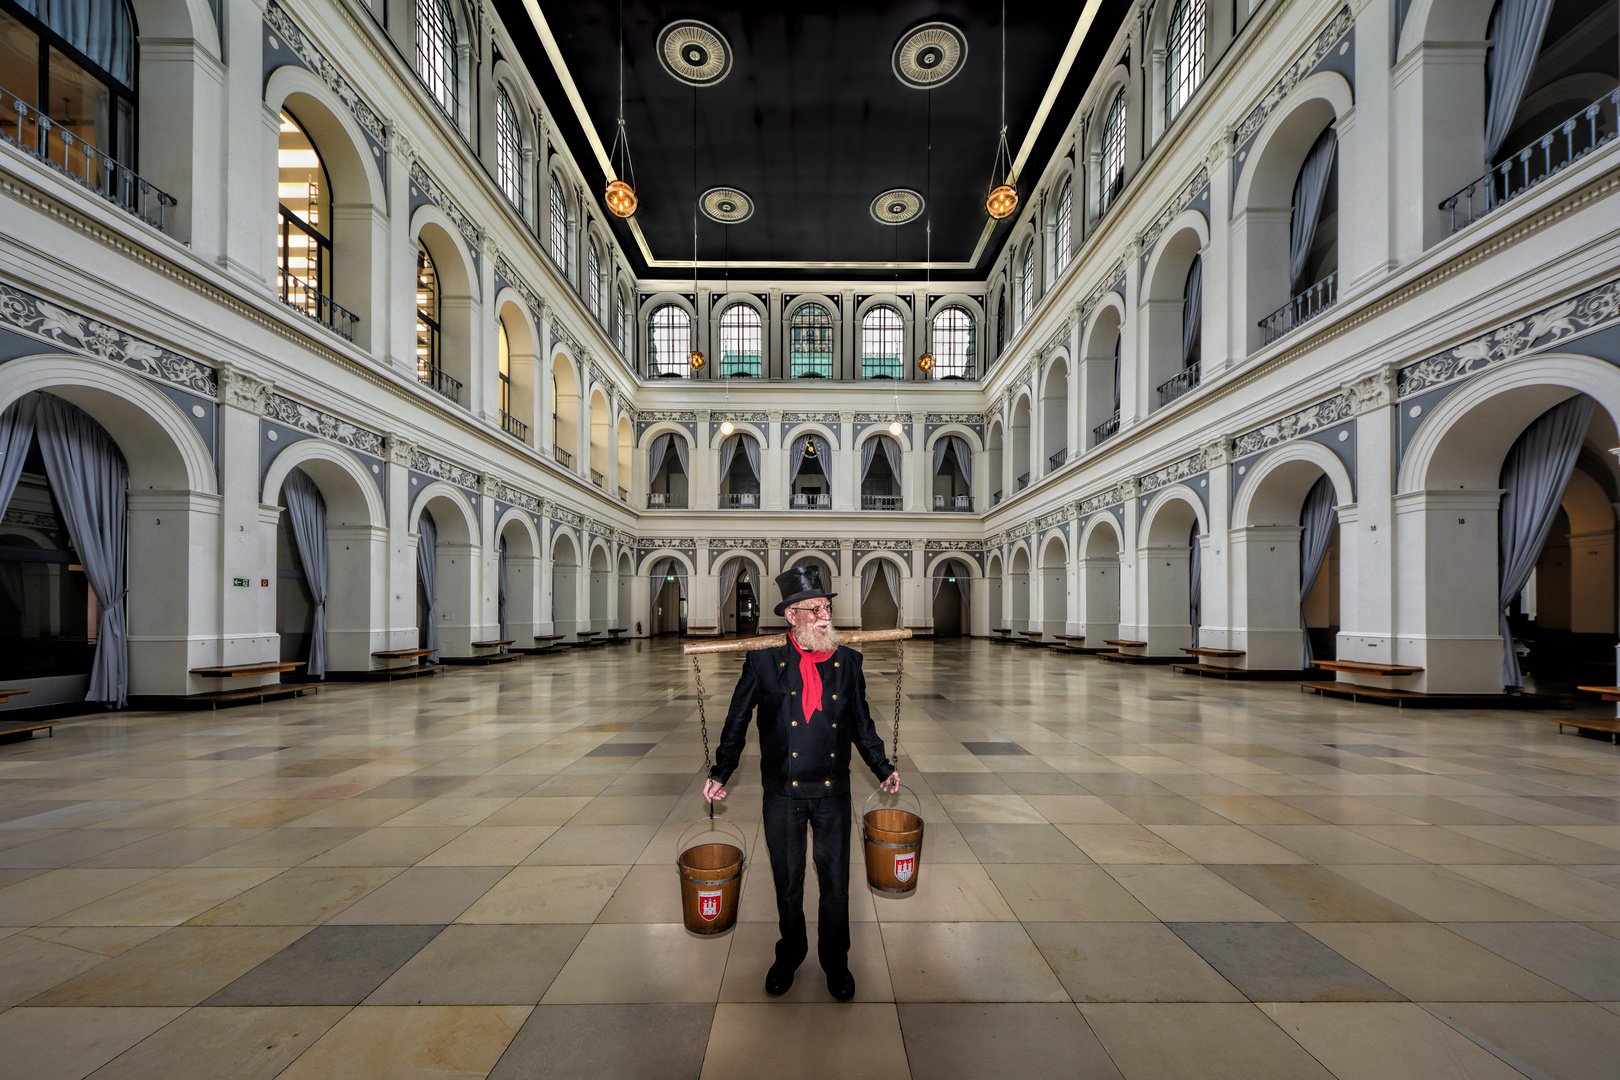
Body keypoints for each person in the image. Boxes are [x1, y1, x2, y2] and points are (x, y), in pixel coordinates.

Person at [703, 564, 901, 1001]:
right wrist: (721, 771)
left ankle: (836, 962)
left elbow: (861, 723)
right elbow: (737, 720)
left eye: (826, 607)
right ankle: (790, 954)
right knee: (787, 882)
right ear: (792, 616)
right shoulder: (762, 661)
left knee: (835, 885)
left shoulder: (849, 661)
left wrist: (882, 765)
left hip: (832, 791)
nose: (824, 616)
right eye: (814, 609)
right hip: (782, 794)